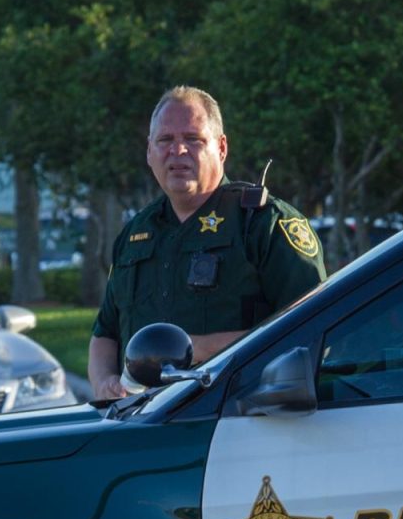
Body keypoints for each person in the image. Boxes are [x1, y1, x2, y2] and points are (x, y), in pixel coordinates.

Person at [88, 86, 327, 400]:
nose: (178, 151)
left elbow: (316, 328)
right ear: (149, 151)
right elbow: (106, 333)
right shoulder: (135, 233)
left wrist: (193, 349)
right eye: (165, 140)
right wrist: (105, 383)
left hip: (237, 419)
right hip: (142, 424)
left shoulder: (264, 224)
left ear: (222, 148)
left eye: (193, 139)